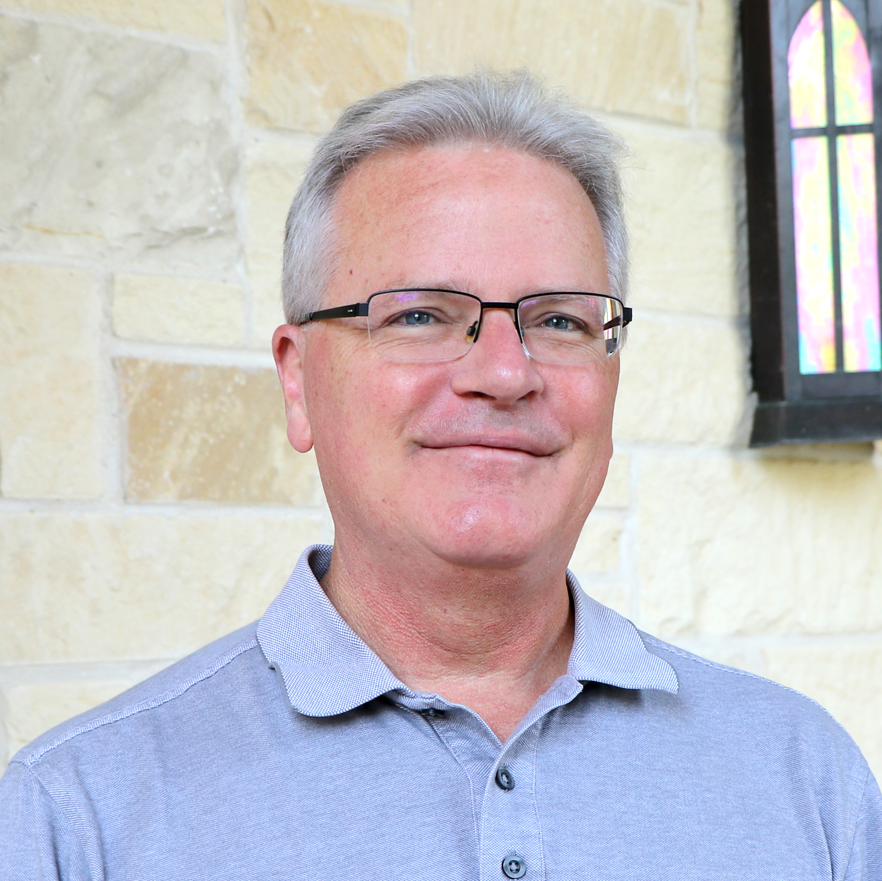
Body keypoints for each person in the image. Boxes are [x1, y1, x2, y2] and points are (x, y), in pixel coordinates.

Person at [1, 70, 880, 881]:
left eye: (562, 321)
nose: (504, 371)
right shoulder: (79, 820)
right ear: (298, 381)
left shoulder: (808, 782)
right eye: (420, 313)